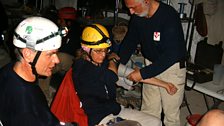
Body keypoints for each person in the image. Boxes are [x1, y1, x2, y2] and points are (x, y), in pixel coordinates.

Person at [71, 23, 181, 126]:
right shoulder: (82, 67)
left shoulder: (99, 61)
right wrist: (112, 60)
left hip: (115, 110)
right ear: (85, 48)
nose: (102, 55)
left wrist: (165, 84)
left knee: (155, 122)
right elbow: (112, 76)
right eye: (98, 51)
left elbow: (132, 74)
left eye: (105, 50)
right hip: (99, 119)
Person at [118, 0, 187, 126]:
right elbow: (130, 42)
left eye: (133, 8)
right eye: (129, 8)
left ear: (146, 1)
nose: (130, 12)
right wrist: (117, 63)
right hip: (150, 63)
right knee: (148, 112)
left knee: (171, 116)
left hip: (172, 67)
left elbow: (172, 54)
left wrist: (143, 73)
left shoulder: (169, 16)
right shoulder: (138, 17)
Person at [0, 16, 68, 126]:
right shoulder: (26, 107)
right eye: (50, 54)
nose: (57, 60)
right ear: (28, 54)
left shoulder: (9, 70)